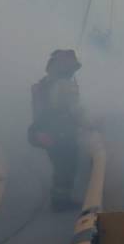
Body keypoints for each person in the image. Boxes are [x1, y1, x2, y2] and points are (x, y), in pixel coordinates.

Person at [29, 49, 87, 211]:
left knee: (60, 166)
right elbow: (73, 110)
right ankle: (61, 202)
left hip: (47, 132)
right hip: (61, 133)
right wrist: (89, 124)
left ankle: (59, 199)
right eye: (71, 68)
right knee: (66, 166)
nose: (73, 71)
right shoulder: (63, 85)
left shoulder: (46, 83)